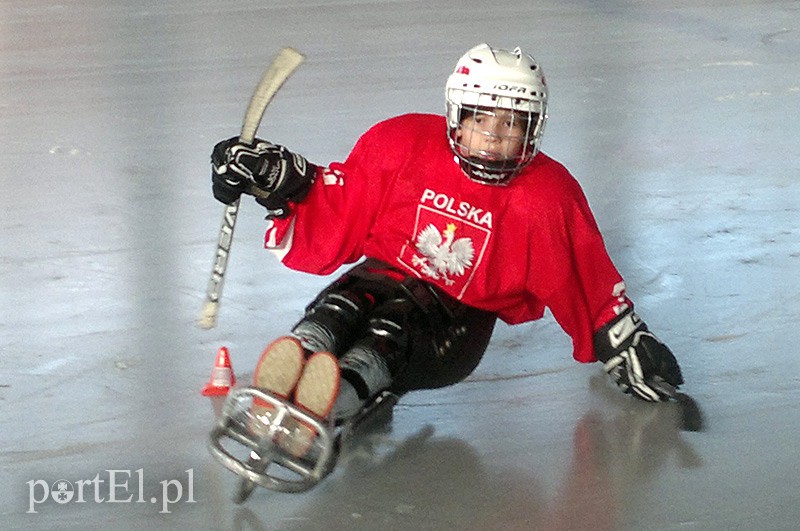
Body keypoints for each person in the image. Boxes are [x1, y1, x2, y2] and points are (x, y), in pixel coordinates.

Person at [210, 43, 684, 451]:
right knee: (339, 307)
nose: (494, 135)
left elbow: (583, 277)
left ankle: (336, 395)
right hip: (378, 277)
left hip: (453, 322)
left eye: (511, 123)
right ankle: (300, 356)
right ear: (456, 119)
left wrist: (626, 345)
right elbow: (342, 202)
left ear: (533, 129)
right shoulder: (401, 144)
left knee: (389, 332)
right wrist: (280, 180)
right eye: (481, 118)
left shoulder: (545, 197)